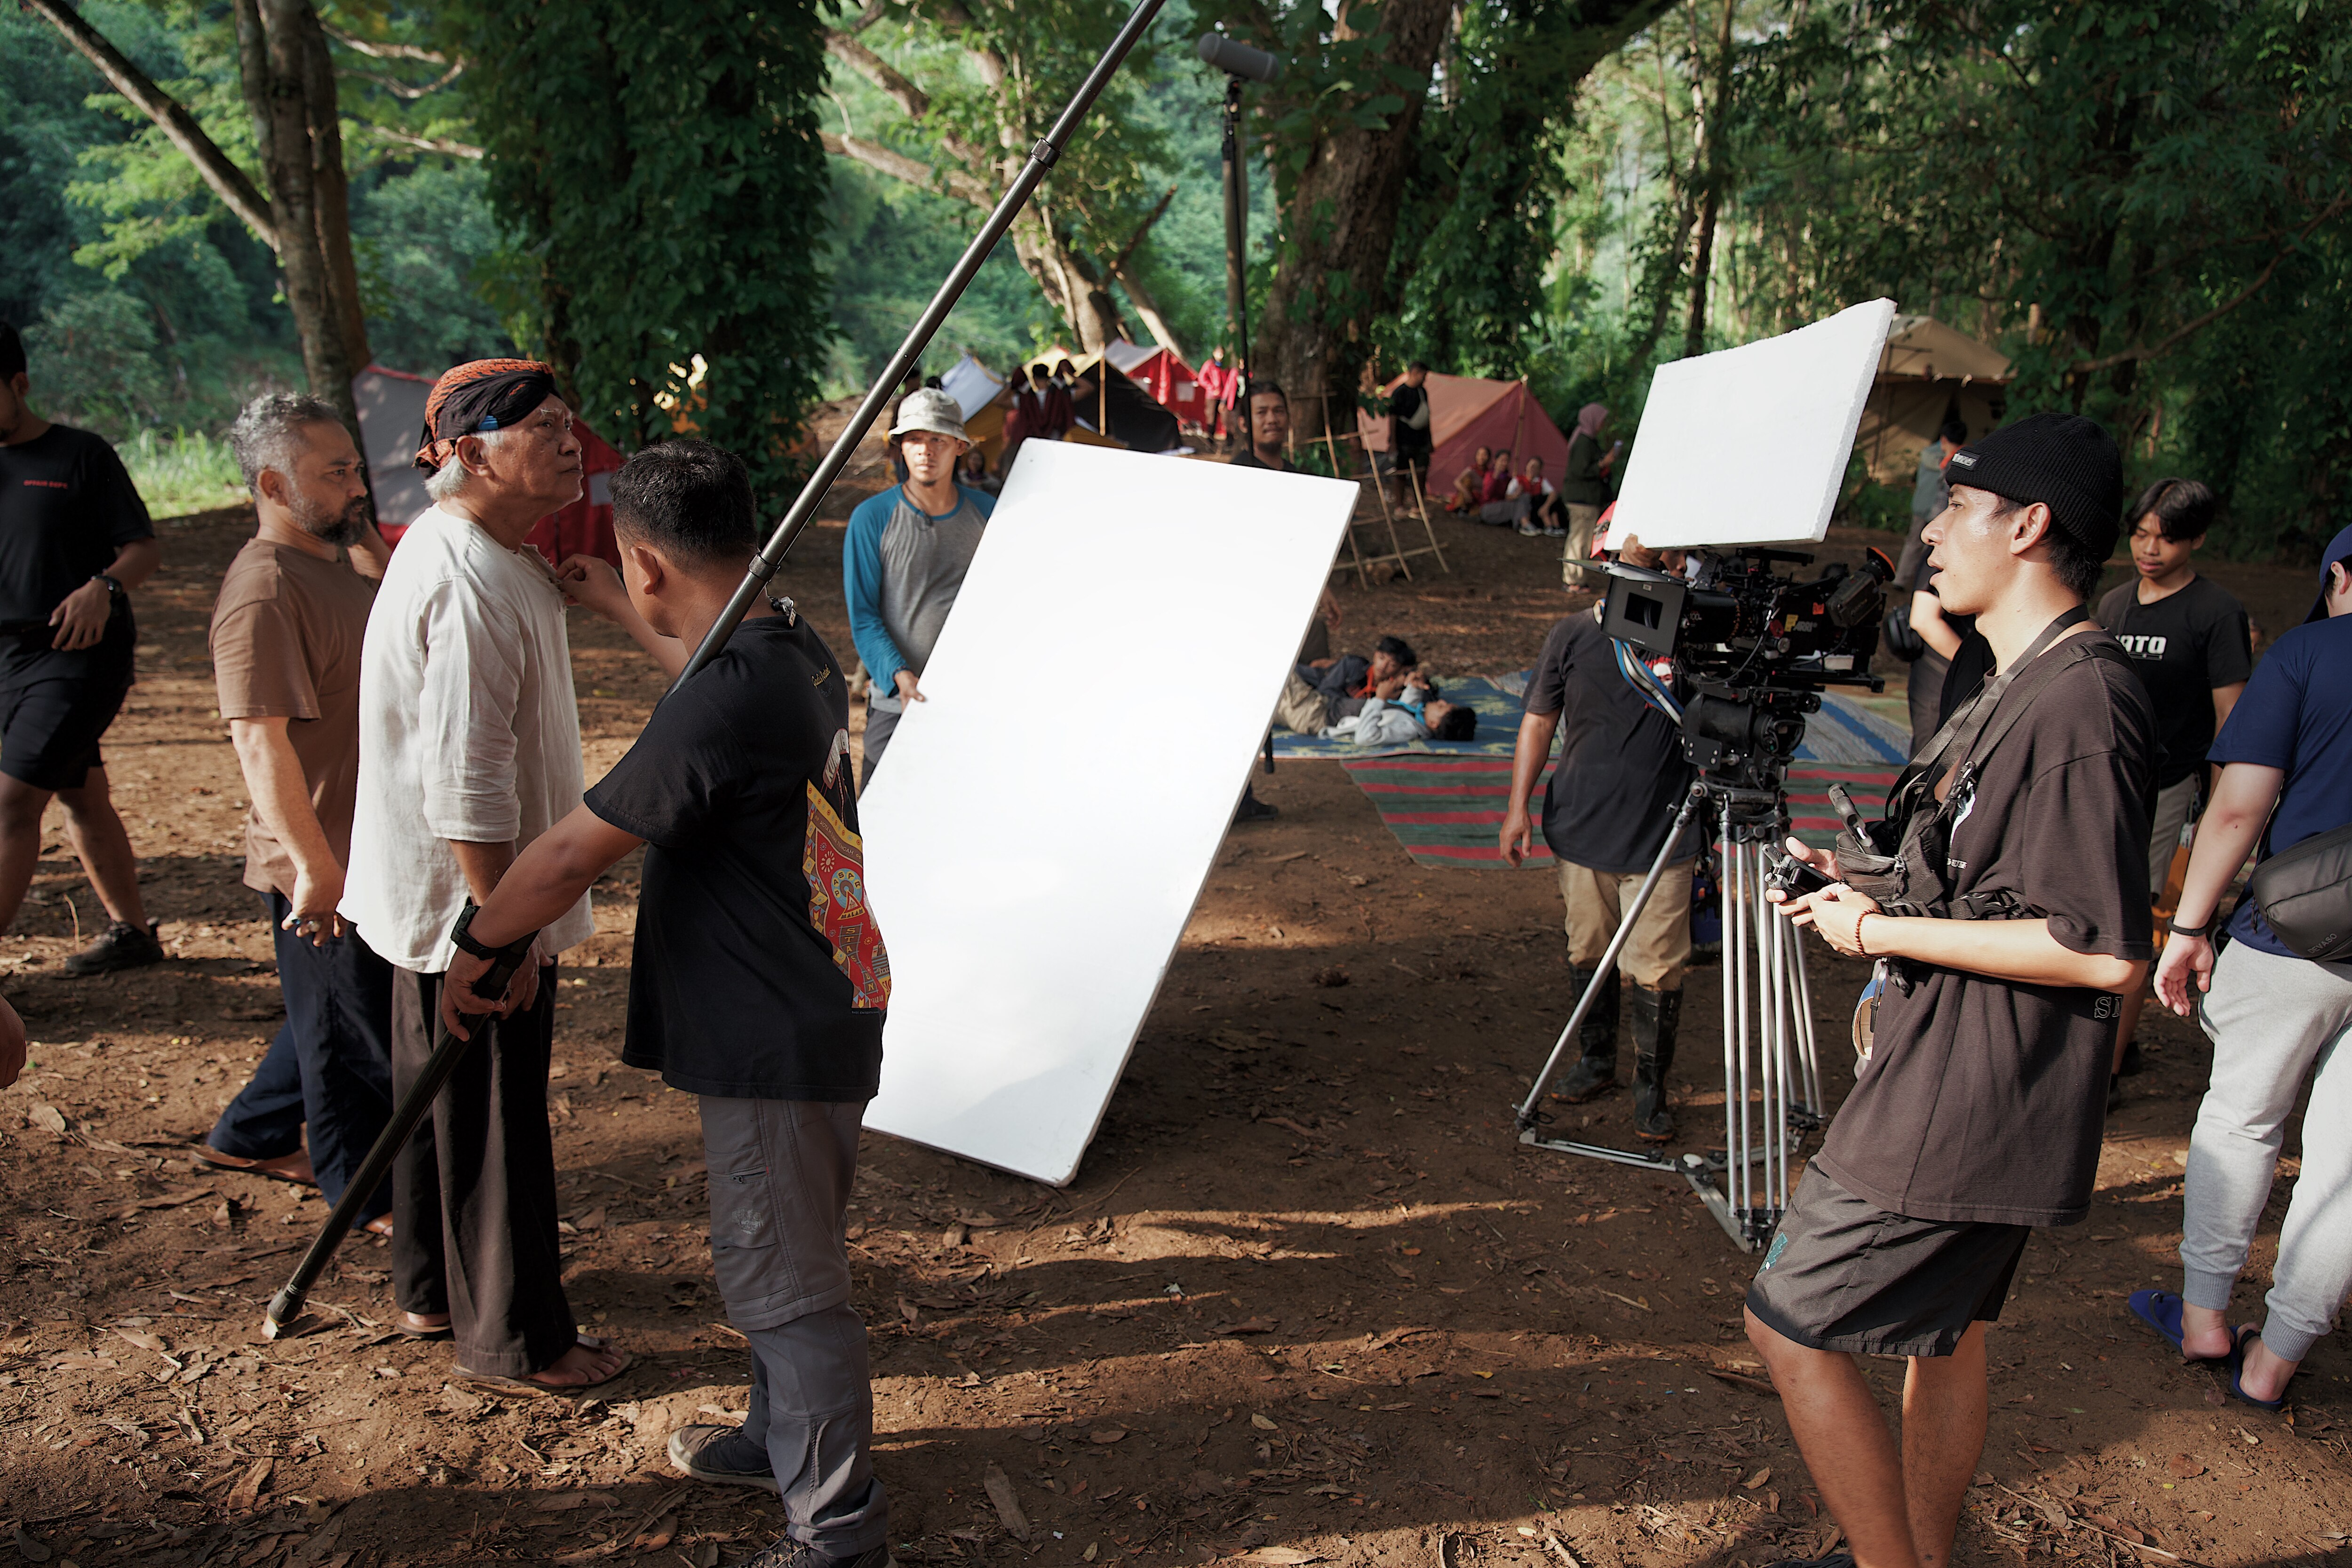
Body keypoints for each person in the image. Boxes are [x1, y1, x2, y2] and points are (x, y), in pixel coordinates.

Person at [442, 439, 891, 1568]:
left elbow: (561, 859)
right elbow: (695, 667)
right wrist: (616, 613)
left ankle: (837, 1534)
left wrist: (476, 943)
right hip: (818, 998)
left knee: (786, 1286)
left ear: (645, 561)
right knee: (781, 1248)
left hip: (772, 1034)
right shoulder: (788, 645)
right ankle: (772, 1436)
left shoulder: (721, 704)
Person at [1756, 413, 2153, 1568]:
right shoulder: (2019, 676)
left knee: (1785, 1324)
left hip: (1968, 1096)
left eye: (1958, 505)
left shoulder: (2078, 699)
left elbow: (2098, 950)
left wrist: (1876, 927)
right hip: (1975, 1079)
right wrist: (1869, 878)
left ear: (2027, 525)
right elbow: (1993, 878)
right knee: (1948, 1335)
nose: (1930, 530)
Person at [340, 358, 628, 1390]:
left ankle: (429, 1286)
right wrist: (497, 931)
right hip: (473, 897)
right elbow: (467, 780)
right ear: (467, 454)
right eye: (542, 426)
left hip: (444, 899)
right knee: (496, 1118)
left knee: (444, 1099)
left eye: (567, 420)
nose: (569, 440)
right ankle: (517, 1336)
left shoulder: (480, 551)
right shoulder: (465, 574)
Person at [2134, 523, 2352, 1413]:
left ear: (2340, 575)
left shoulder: (2309, 650)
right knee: (2347, 1165)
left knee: (2242, 1119)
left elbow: (2236, 810)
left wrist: (2190, 926)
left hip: (2295, 931)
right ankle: (2276, 1360)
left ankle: (2205, 1320)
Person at [193, 394, 398, 1234]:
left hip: (368, 847)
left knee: (333, 1009)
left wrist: (371, 546)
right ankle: (365, 1193)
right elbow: (256, 737)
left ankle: (250, 1132)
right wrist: (314, 866)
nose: (359, 485)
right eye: (337, 473)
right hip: (325, 858)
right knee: (348, 1038)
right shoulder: (264, 592)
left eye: (355, 466)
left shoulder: (329, 561)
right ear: (275, 483)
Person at [1499, 565, 1701, 1140]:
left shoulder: (1692, 635)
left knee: (1657, 966)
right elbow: (1538, 720)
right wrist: (1518, 807)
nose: (1659, 575)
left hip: (1665, 833)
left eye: (1669, 564)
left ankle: (1649, 1089)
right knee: (1586, 947)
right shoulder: (1572, 634)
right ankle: (1595, 1061)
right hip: (1582, 824)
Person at [0, 322, 165, 975]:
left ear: (20, 385)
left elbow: (144, 548)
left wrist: (104, 585)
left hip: (78, 655)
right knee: (80, 793)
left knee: (12, 802)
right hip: (7, 661)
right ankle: (135, 934)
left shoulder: (81, 456)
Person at [2093, 478, 2251, 1093]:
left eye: (2167, 537)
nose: (2150, 548)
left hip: (2168, 786)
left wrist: (2219, 803)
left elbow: (2230, 719)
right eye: (2141, 533)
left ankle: (2108, 1066)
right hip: (2106, 779)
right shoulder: (2113, 605)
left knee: (2135, 914)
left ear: (2198, 540)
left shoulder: (2216, 613)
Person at [843, 389, 994, 789]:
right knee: (880, 821)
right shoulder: (872, 519)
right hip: (897, 700)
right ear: (900, 448)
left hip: (972, 703)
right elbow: (864, 615)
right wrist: (899, 676)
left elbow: (1005, 602)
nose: (925, 451)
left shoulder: (990, 513)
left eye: (937, 440)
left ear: (960, 446)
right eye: (914, 439)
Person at [1895, 418, 1972, 748]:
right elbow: (1923, 619)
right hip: (1937, 678)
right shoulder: (1943, 545)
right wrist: (1975, 668)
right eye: (1954, 503)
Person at [1558, 404, 1617, 585]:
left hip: (1584, 498)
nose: (1602, 425)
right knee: (1579, 541)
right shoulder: (1584, 442)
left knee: (1581, 540)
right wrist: (1602, 464)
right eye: (1601, 421)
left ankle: (1576, 578)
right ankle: (1572, 580)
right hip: (1582, 499)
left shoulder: (1587, 440)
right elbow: (1580, 471)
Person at [1388, 361, 1433, 503]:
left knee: (1421, 472)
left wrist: (1430, 440)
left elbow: (1427, 418)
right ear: (1415, 373)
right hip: (1404, 440)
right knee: (1401, 473)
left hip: (1421, 441)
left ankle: (1417, 505)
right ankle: (1399, 505)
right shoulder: (1399, 393)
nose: (1424, 379)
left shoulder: (1422, 392)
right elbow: (1393, 418)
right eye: (1423, 375)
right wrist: (1393, 442)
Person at [1509, 455, 1564, 538]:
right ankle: (1525, 525)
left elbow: (1553, 493)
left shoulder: (1541, 481)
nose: (1533, 469)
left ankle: (1553, 526)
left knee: (1552, 500)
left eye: (1536, 467)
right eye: (1531, 466)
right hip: (1524, 509)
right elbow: (1508, 496)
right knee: (1526, 498)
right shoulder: (1518, 480)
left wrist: (1546, 507)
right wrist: (1517, 494)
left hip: (1537, 510)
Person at [1443, 446, 1492, 513]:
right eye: (1479, 454)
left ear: (1489, 457)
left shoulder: (1490, 474)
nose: (1481, 457)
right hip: (1468, 498)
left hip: (1480, 500)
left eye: (1484, 455)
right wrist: (1466, 493)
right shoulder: (1471, 470)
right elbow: (1457, 481)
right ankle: (1462, 508)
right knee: (1467, 481)